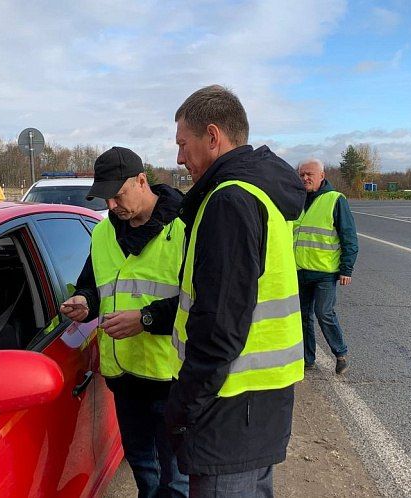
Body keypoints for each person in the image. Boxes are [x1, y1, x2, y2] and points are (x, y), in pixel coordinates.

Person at [166, 85, 306, 498]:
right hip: (258, 405)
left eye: (182, 144)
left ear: (213, 136)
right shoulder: (261, 191)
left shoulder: (229, 200)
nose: (178, 158)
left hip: (227, 407)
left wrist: (184, 406)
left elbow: (219, 326)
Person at [60, 146, 189, 498]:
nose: (112, 207)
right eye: (106, 200)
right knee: (142, 463)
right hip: (123, 374)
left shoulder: (182, 228)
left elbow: (200, 303)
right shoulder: (103, 233)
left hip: (170, 376)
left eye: (117, 196)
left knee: (176, 475)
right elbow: (93, 283)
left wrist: (146, 319)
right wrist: (84, 301)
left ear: (142, 181)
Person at [294, 158, 358, 374]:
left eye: (309, 174)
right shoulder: (297, 200)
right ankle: (307, 359)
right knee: (302, 316)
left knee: (324, 313)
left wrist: (346, 269)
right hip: (300, 270)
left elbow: (348, 236)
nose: (305, 178)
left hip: (324, 272)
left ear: (322, 176)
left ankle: (340, 354)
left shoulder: (335, 199)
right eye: (302, 174)